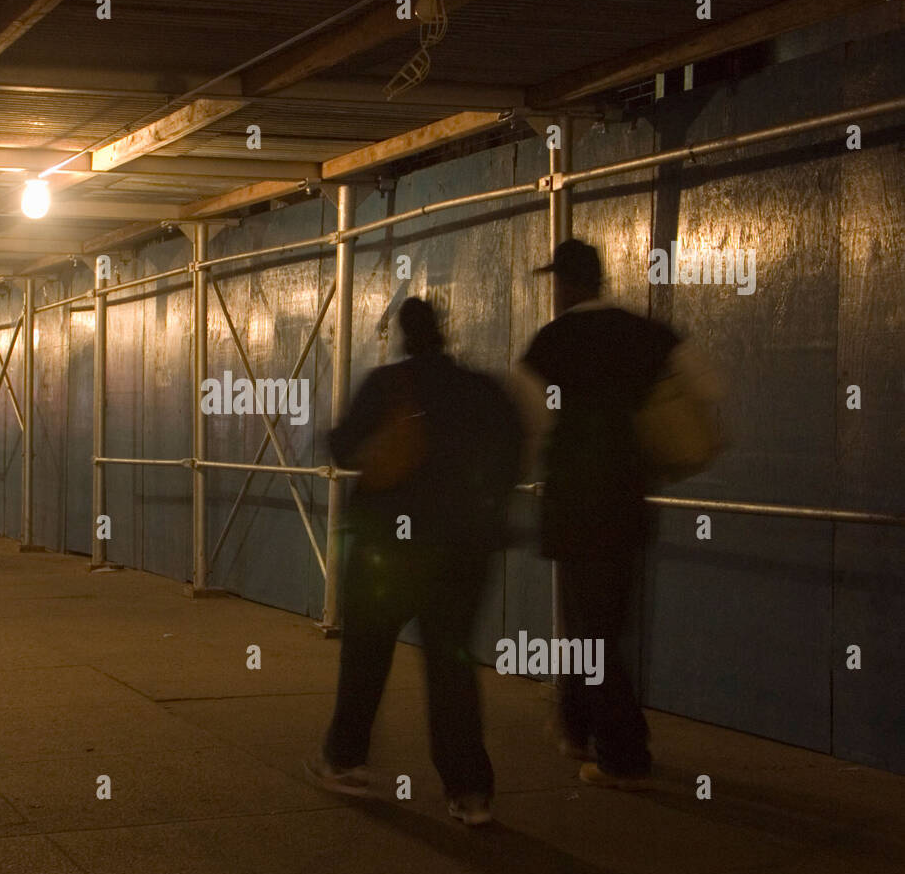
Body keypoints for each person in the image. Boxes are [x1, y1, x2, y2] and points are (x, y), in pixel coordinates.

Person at [509, 239, 723, 790]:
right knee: (599, 623)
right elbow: (707, 387)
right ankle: (577, 725)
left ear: (566, 284)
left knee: (593, 629)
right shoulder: (647, 333)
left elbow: (527, 420)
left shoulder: (552, 341)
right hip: (628, 502)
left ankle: (623, 753)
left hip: (574, 504)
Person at [305, 297, 522, 826]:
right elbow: (513, 455)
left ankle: (347, 760)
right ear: (444, 333)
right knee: (451, 664)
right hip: (462, 551)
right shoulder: (483, 390)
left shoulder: (387, 386)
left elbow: (341, 447)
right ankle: (470, 792)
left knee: (365, 654)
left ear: (403, 335)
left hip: (388, 551)